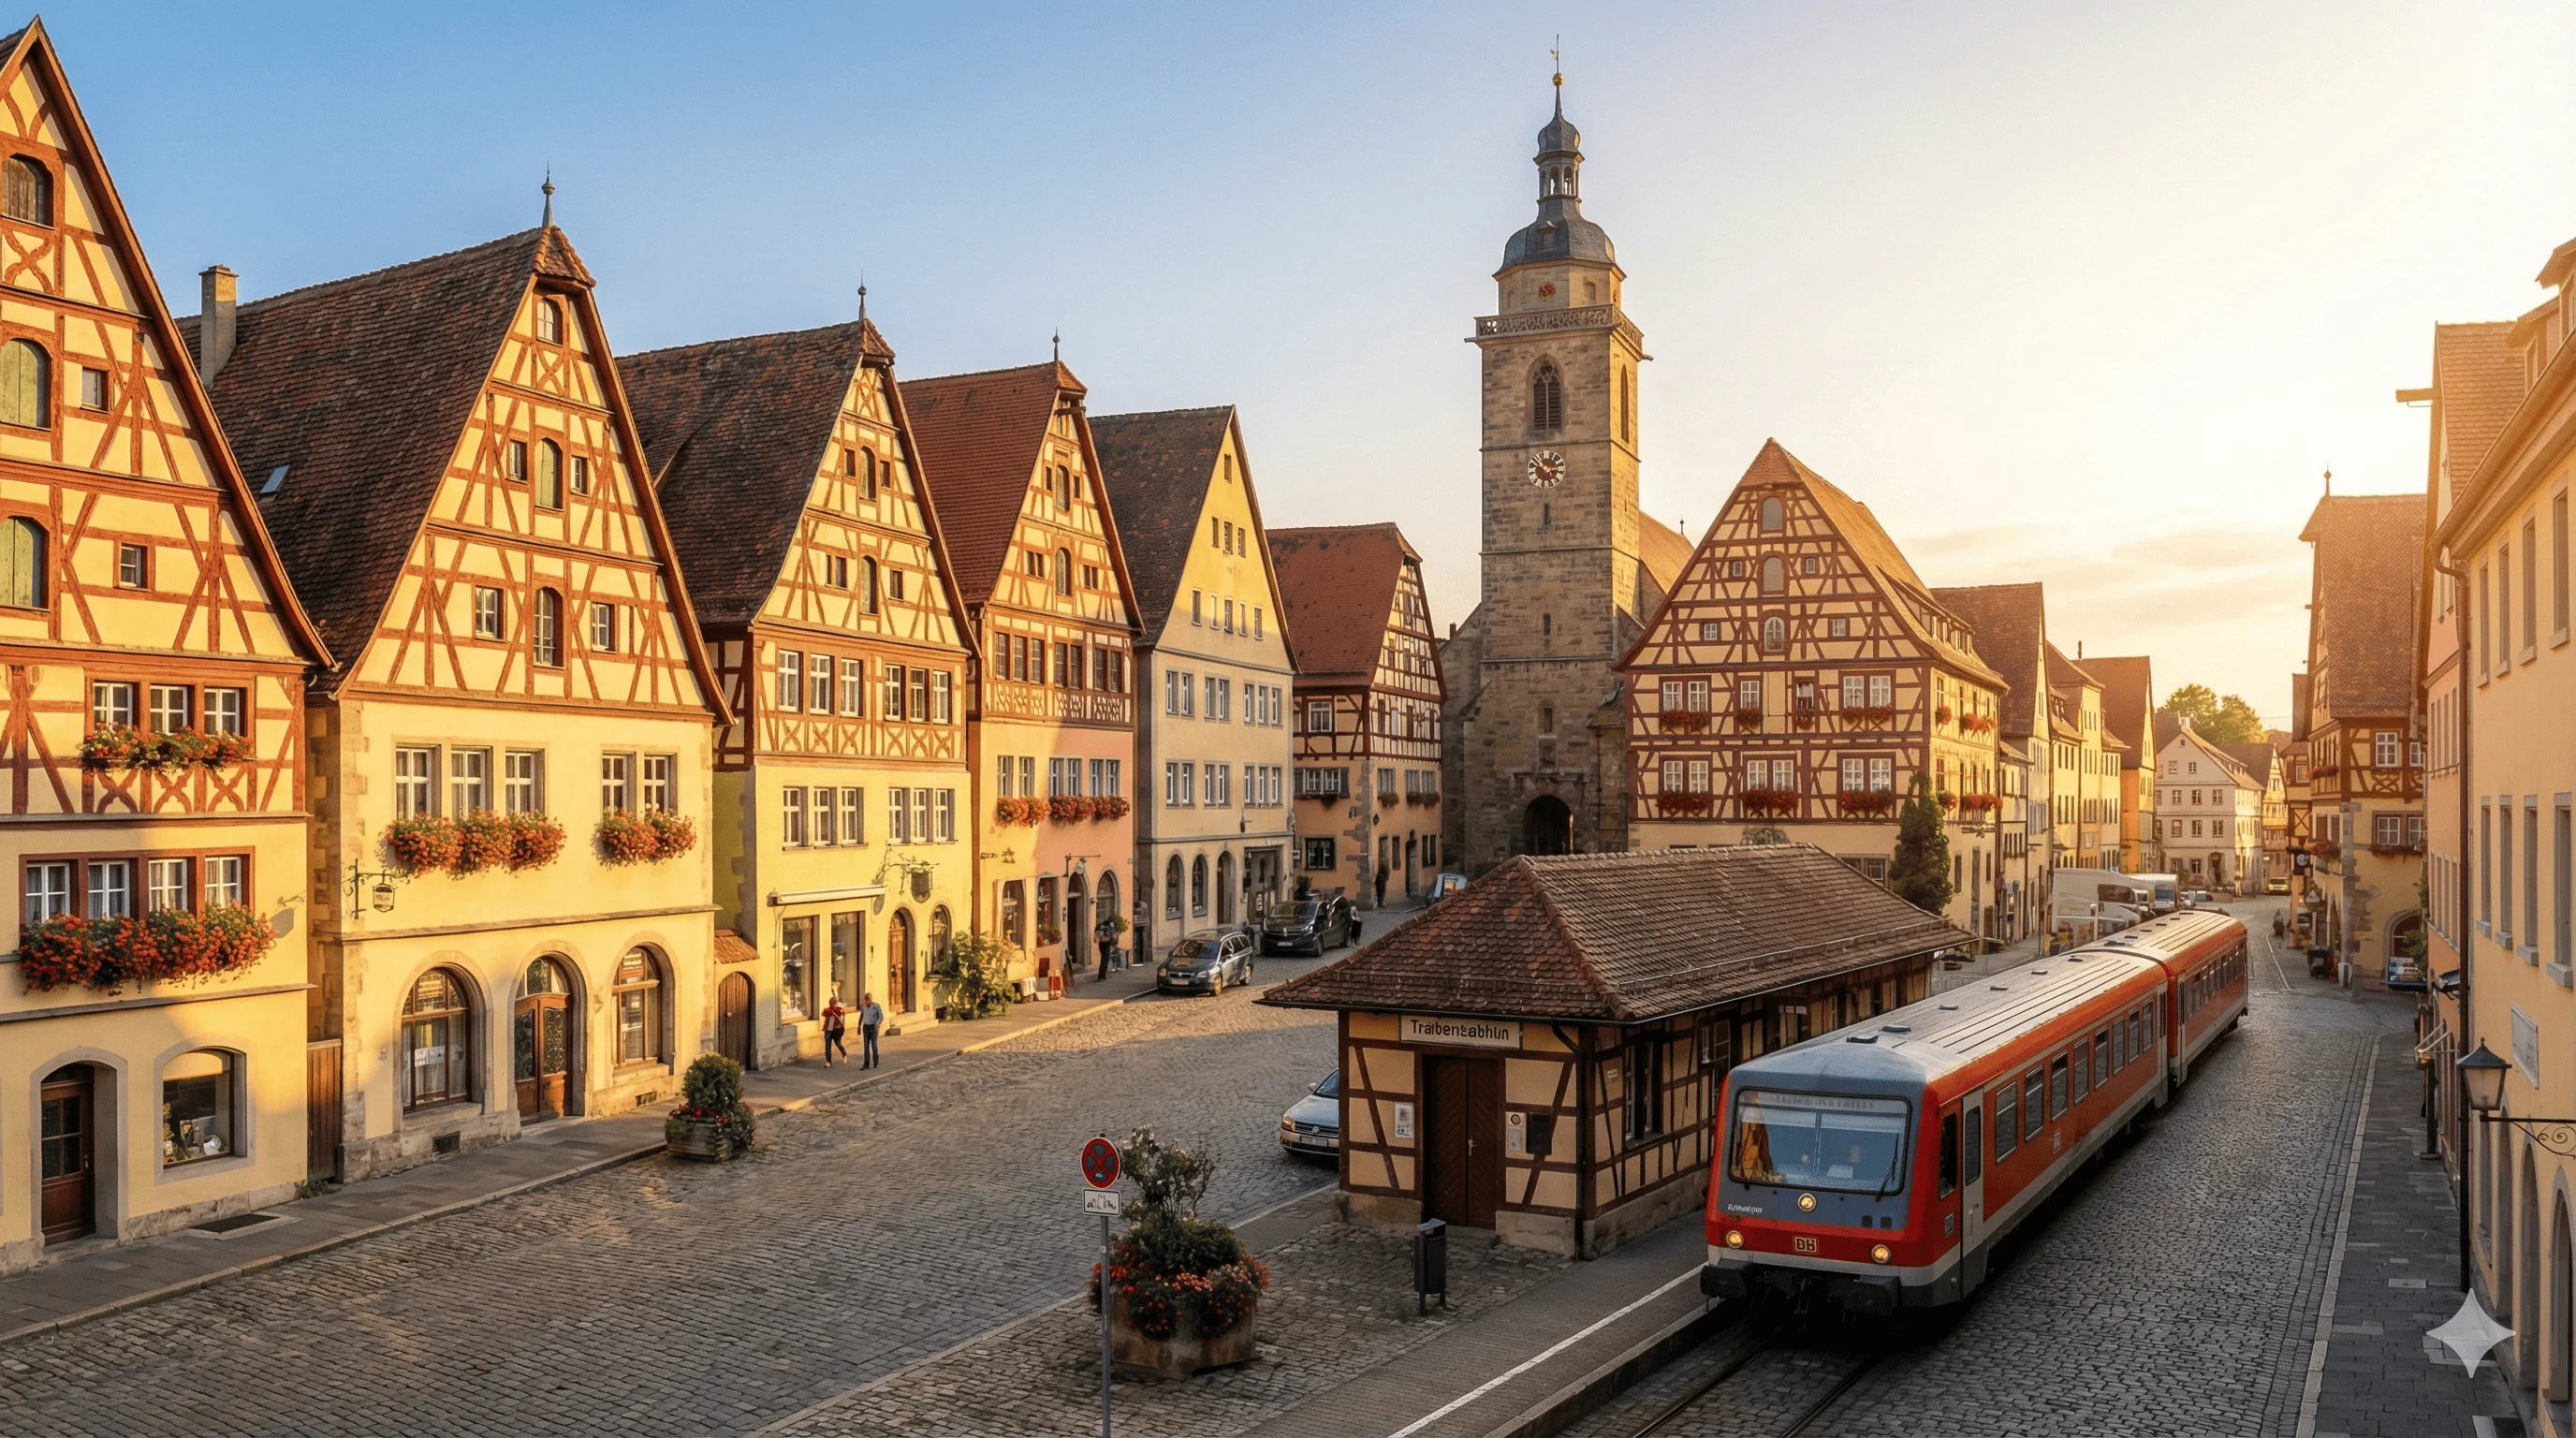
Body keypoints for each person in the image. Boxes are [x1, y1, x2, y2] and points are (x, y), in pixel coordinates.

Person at [858, 991, 885, 1069]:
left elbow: (880, 1017)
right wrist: (859, 1025)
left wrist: (877, 1024)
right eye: (865, 1000)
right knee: (866, 1047)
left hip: (873, 1027)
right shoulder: (863, 1006)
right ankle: (866, 1064)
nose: (866, 1002)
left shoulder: (876, 1006)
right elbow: (861, 1015)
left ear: (871, 999)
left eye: (868, 1000)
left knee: (874, 1046)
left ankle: (875, 1062)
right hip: (866, 1027)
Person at [819, 995, 848, 1066]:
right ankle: (829, 1061)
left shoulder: (837, 1009)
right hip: (828, 1030)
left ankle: (843, 1055)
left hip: (836, 1030)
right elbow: (823, 1013)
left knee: (837, 1044)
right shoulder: (828, 1010)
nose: (832, 1004)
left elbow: (842, 1015)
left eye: (833, 1003)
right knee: (828, 1046)